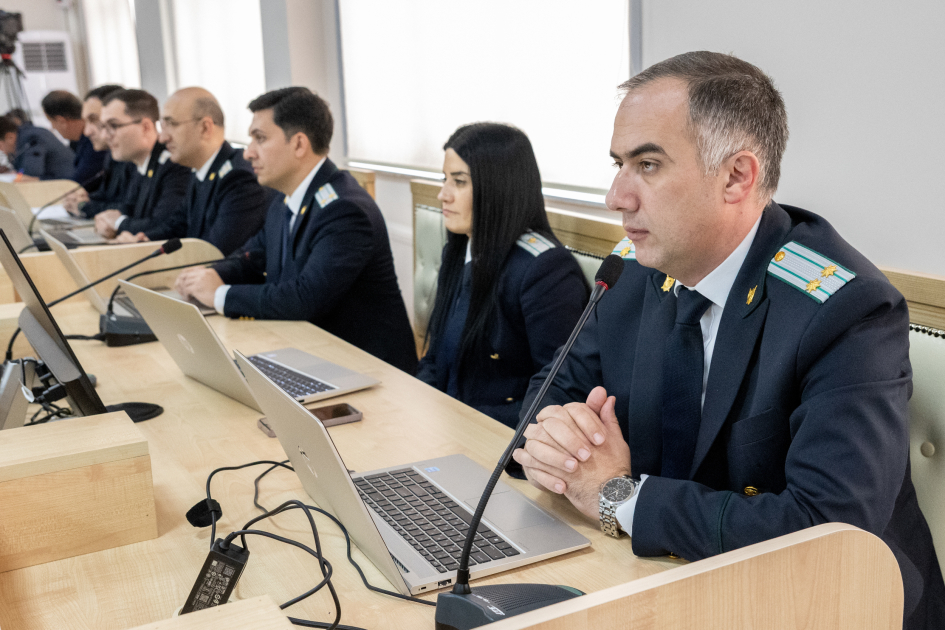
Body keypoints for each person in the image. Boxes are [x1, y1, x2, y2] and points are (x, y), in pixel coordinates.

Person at [510, 51, 945, 629]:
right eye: (619, 164)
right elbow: (543, 404)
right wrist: (560, 442)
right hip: (667, 581)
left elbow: (828, 533)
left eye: (647, 165)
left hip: (830, 607)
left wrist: (618, 496)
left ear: (737, 176)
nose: (616, 196)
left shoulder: (846, 309)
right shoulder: (632, 272)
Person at [174, 87, 417, 373]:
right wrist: (212, 274)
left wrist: (220, 295)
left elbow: (305, 298)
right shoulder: (283, 200)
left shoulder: (345, 210)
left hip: (366, 370)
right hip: (309, 354)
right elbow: (252, 257)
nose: (248, 152)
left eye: (260, 138)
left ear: (299, 144)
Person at [416, 123, 587, 428]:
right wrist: (417, 407)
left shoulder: (544, 270)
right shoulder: (459, 249)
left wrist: (459, 423)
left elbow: (560, 394)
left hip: (500, 438)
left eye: (459, 182)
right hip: (446, 426)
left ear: (497, 188)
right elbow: (434, 359)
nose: (443, 194)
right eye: (445, 179)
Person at [112, 87, 273, 255]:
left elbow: (214, 253)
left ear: (205, 128)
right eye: (163, 126)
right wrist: (143, 242)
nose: (162, 138)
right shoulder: (200, 170)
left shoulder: (238, 178)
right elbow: (176, 226)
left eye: (171, 124)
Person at [92, 89, 190, 240]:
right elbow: (129, 207)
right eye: (103, 127)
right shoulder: (135, 162)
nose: (105, 136)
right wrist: (106, 219)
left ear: (145, 127)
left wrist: (118, 223)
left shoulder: (174, 165)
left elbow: (163, 225)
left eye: (113, 126)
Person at [64, 84, 135, 218]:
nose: (87, 131)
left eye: (94, 120)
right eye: (86, 122)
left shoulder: (137, 158)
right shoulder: (111, 156)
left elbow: (130, 208)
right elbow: (107, 196)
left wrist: (85, 207)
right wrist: (81, 200)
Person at [41, 90, 107, 190]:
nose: (53, 127)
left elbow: (78, 183)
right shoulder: (76, 142)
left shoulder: (94, 142)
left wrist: (38, 181)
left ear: (61, 120)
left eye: (51, 122)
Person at [3, 108, 74, 180]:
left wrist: (17, 176)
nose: (1, 150)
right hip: (58, 179)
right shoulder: (28, 134)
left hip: (67, 181)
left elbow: (30, 172)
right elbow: (23, 169)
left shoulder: (31, 139)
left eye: (0, 146)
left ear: (10, 137)